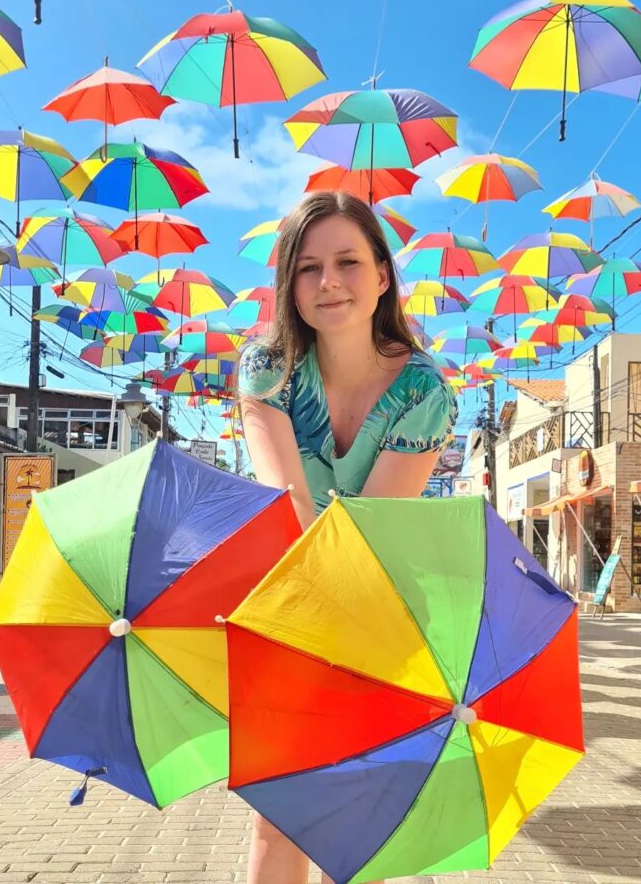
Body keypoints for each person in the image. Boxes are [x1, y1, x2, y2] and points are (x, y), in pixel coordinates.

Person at [237, 191, 458, 884]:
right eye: (308, 267)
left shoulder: (423, 387)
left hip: (379, 606)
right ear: (289, 284)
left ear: (384, 275)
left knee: (359, 819)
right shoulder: (265, 366)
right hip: (289, 605)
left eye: (347, 262)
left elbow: (376, 529)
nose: (328, 281)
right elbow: (286, 501)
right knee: (277, 818)